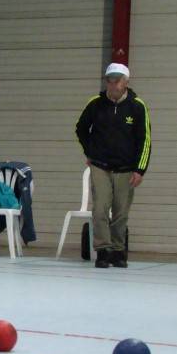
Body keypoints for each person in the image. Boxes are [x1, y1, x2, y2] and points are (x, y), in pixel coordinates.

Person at [76, 62, 151, 268]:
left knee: (120, 213)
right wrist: (90, 152)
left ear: (126, 82)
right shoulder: (95, 104)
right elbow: (81, 129)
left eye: (117, 80)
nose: (113, 84)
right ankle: (102, 250)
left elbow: (145, 140)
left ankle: (118, 250)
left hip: (126, 168)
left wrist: (140, 169)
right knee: (100, 209)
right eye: (109, 80)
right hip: (100, 165)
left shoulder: (137, 106)